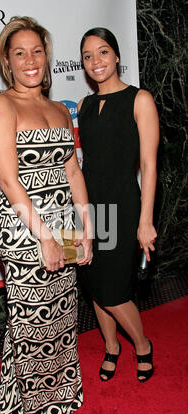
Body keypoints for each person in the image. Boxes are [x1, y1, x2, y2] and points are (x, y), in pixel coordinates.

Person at [0, 16, 92, 414]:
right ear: (7, 61)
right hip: (26, 229)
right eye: (19, 52)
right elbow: (7, 179)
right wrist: (45, 236)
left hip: (63, 223)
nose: (30, 60)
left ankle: (61, 392)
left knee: (61, 313)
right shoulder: (1, 106)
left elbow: (73, 172)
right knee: (29, 318)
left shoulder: (60, 108)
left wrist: (87, 229)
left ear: (47, 56)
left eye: (37, 50)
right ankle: (29, 401)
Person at [77, 28, 159, 383]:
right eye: (88, 56)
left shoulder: (139, 99)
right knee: (93, 284)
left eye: (103, 52)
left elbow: (150, 165)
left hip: (121, 205)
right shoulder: (83, 105)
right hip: (84, 208)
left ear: (117, 56)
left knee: (112, 289)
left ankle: (142, 345)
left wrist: (146, 221)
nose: (96, 61)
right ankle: (111, 347)